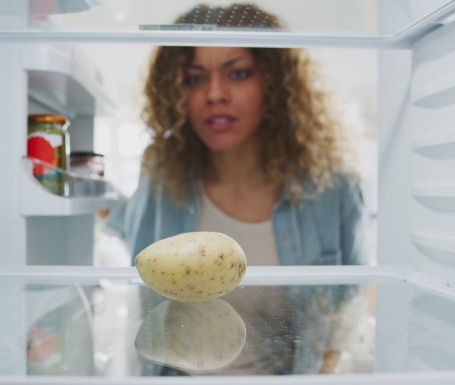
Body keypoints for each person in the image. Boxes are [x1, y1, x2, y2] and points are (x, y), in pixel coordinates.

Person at [103, 2, 368, 375]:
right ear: (176, 92)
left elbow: (348, 304)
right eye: (195, 78)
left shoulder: (332, 186)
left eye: (238, 73)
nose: (215, 93)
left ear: (274, 84)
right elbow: (138, 283)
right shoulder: (161, 176)